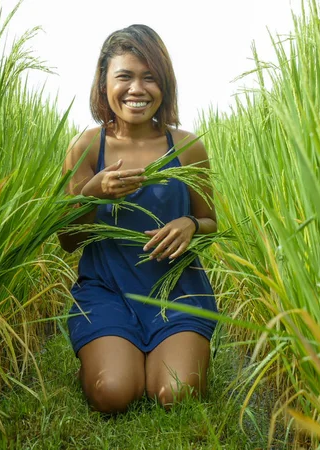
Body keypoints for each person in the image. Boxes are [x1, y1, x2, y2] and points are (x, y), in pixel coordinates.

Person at [58, 24, 218, 414]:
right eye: (125, 76)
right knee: (112, 392)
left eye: (150, 77)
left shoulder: (187, 147)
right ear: (104, 83)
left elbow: (210, 222)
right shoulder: (86, 146)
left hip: (176, 290)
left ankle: (171, 352)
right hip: (106, 292)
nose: (137, 89)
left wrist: (191, 225)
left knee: (175, 393)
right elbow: (67, 239)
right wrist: (93, 191)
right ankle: (115, 352)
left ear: (164, 85)